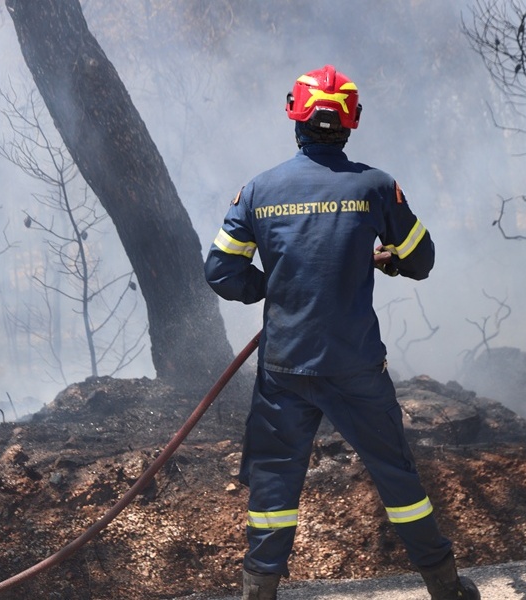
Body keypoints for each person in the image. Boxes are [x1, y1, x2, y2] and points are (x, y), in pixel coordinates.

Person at [203, 65, 479, 600]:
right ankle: (446, 589)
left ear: (296, 117)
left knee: (273, 488)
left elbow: (220, 271)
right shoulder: (375, 187)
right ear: (351, 121)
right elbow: (422, 259)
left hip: (284, 369)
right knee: (399, 481)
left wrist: (271, 286)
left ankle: (258, 593)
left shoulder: (259, 190)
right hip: (355, 368)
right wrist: (389, 261)